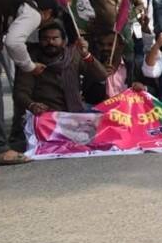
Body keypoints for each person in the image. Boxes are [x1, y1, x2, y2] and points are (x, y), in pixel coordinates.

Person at [0, 0, 60, 166]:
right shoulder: (33, 12)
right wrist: (30, 66)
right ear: (48, 13)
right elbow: (14, 42)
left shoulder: (10, 7)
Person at [10, 22, 108, 151]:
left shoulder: (74, 56)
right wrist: (32, 105)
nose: (50, 42)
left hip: (75, 115)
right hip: (48, 120)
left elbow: (101, 76)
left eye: (54, 38)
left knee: (108, 124)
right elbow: (20, 92)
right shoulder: (31, 63)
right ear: (40, 41)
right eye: (45, 39)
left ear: (63, 41)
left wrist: (86, 55)